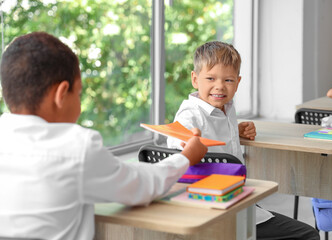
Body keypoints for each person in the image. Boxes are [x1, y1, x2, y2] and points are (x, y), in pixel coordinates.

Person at [0, 32, 208, 240]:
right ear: (61, 94)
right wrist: (187, 156)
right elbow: (143, 185)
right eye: (79, 94)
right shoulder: (76, 148)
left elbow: (117, 171)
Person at [167, 41, 320, 240]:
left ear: (238, 82)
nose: (220, 86)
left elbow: (215, 133)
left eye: (228, 80)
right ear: (195, 79)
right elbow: (176, 140)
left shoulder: (226, 108)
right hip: (214, 206)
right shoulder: (190, 112)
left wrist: (235, 130)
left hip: (233, 199)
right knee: (308, 236)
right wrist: (187, 142)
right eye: (211, 78)